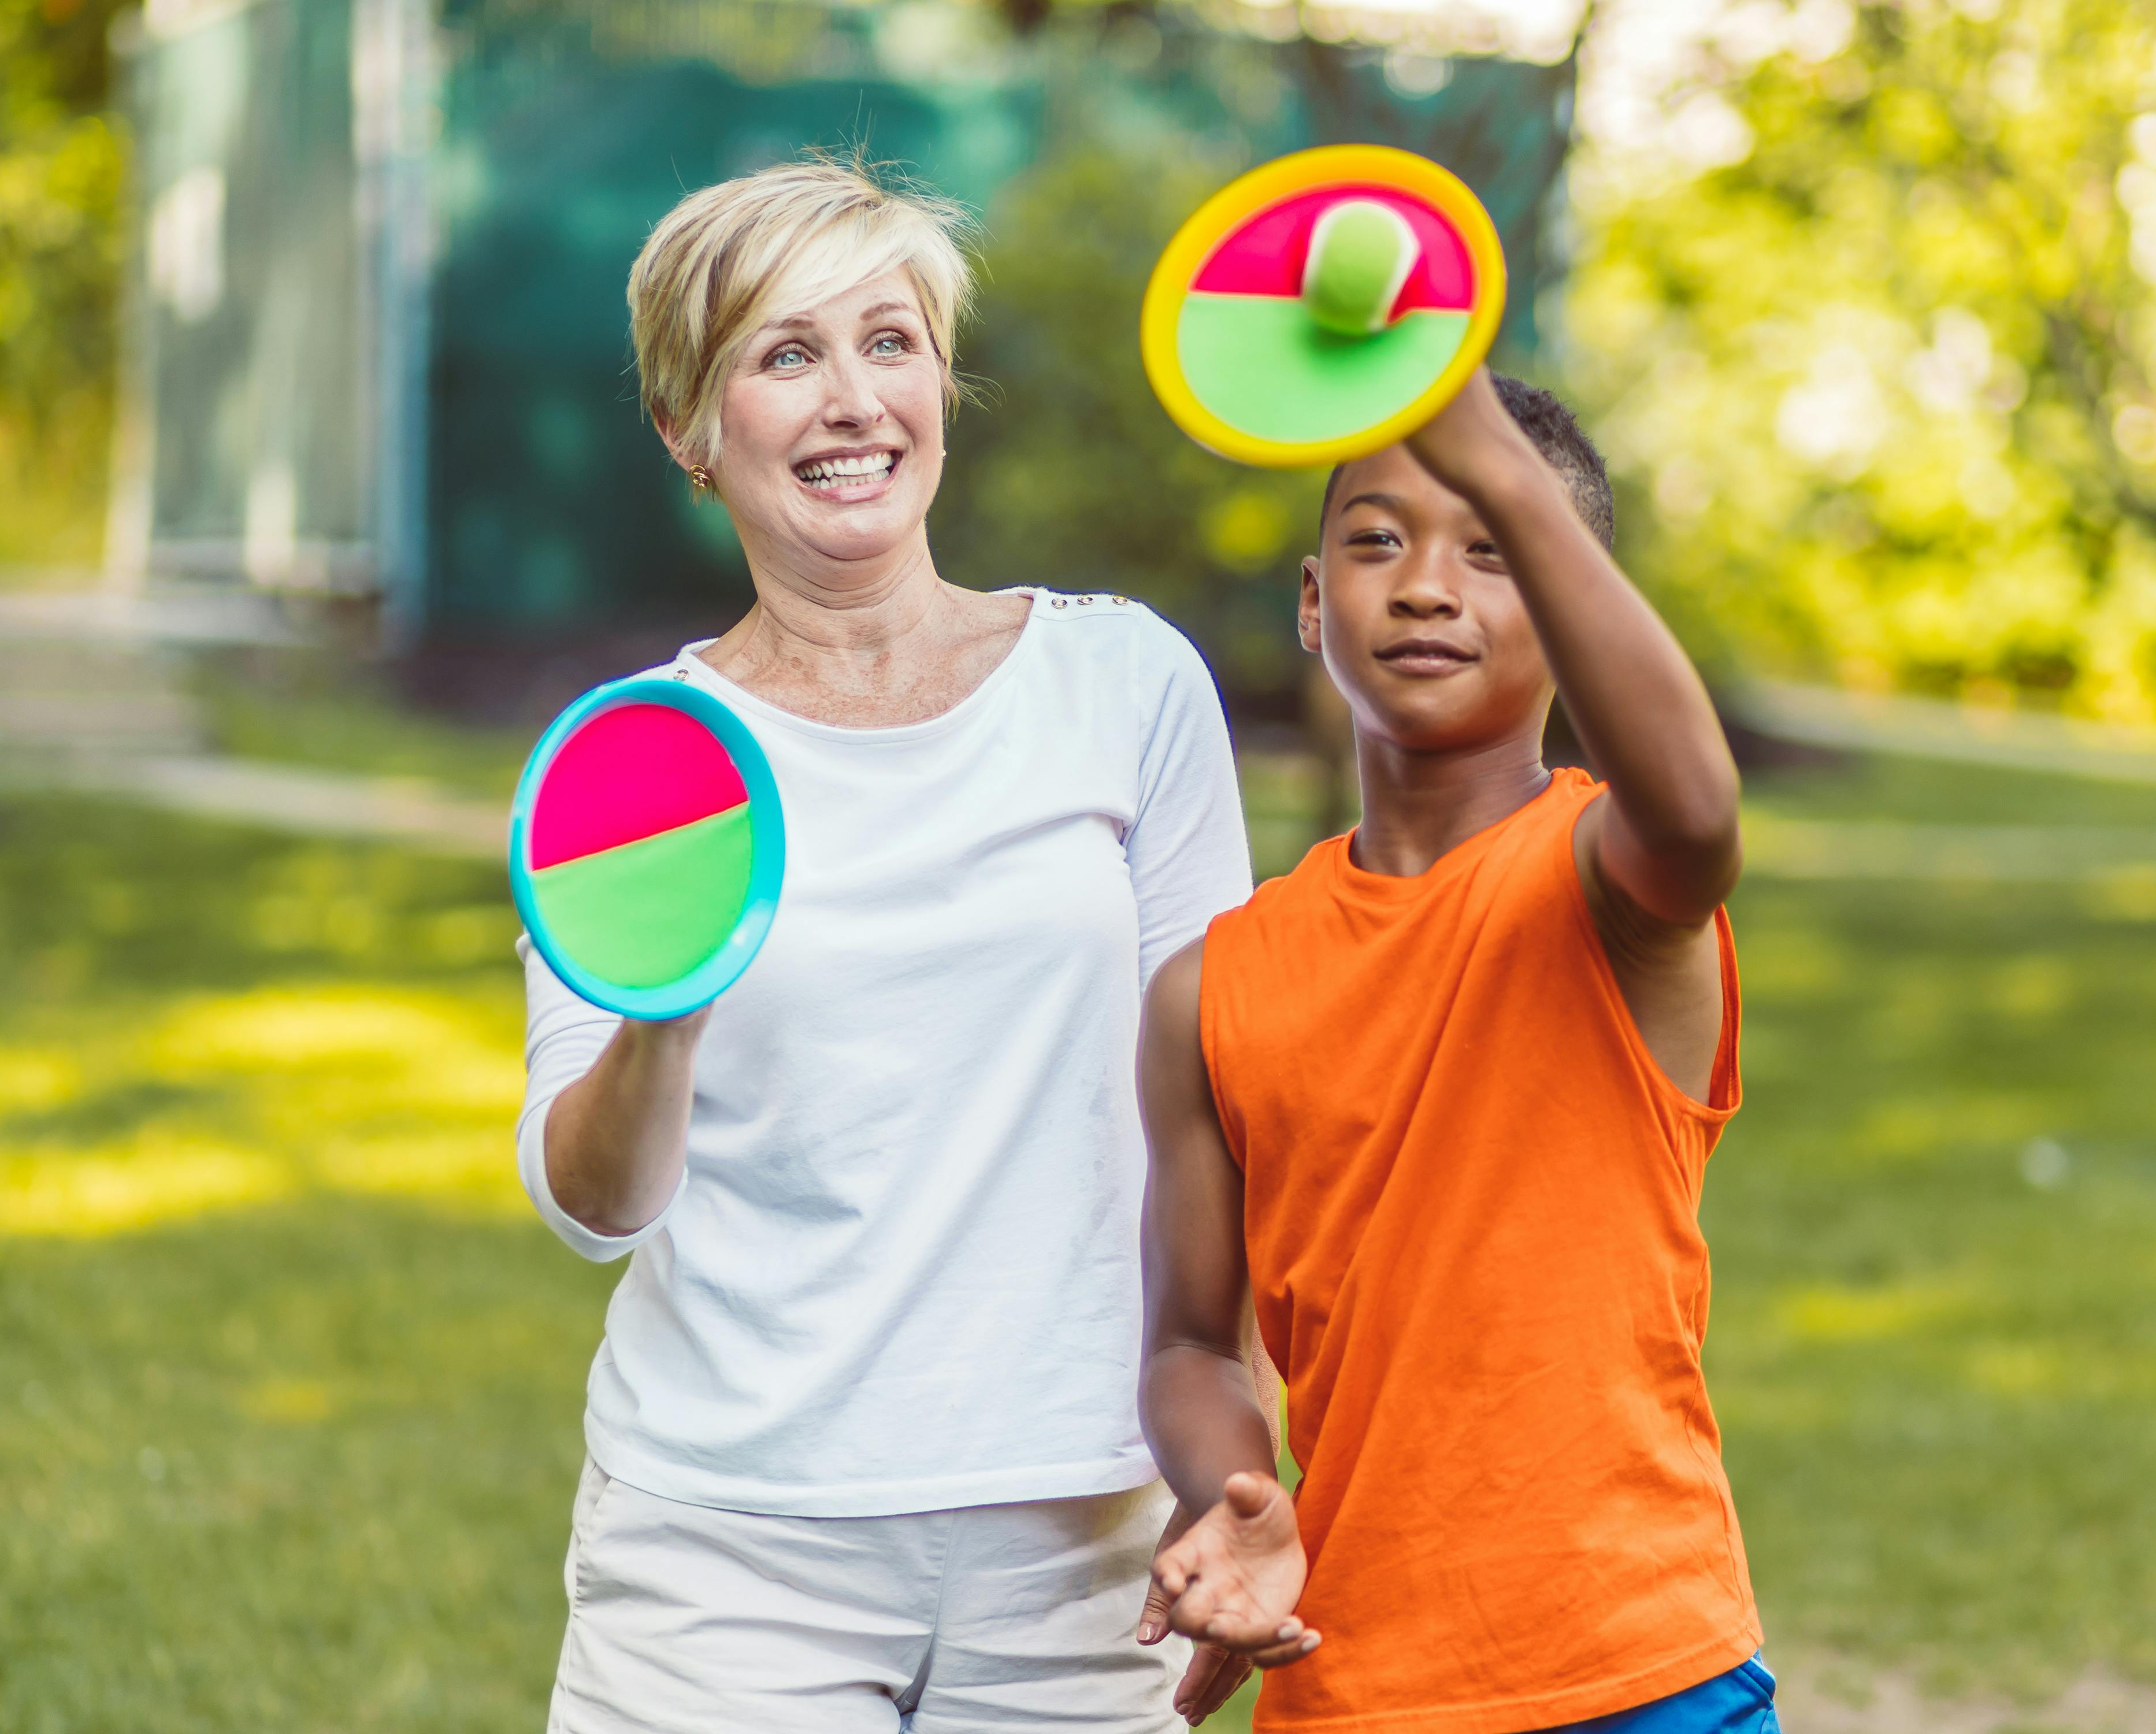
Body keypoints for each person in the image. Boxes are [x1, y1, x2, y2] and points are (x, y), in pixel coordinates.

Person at [517, 158, 1263, 1732]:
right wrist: (664, 1007)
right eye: (784, 356)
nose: (852, 399)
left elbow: (1234, 1106)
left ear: (940, 379)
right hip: (726, 1554)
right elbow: (592, 1208)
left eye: (889, 342)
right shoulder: (643, 760)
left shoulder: (1122, 686)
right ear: (689, 430)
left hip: (1084, 1539)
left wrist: (1238, 1473)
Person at [1136, 369, 1780, 1733]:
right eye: (1379, 543)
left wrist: (1499, 460)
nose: (1427, 586)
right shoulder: (1212, 984)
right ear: (1313, 603)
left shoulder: (1611, 889)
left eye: (1493, 548)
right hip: (1350, 1684)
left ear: (1570, 604)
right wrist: (1234, 1492)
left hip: (1643, 1671)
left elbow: (1701, 811)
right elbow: (1192, 1346)